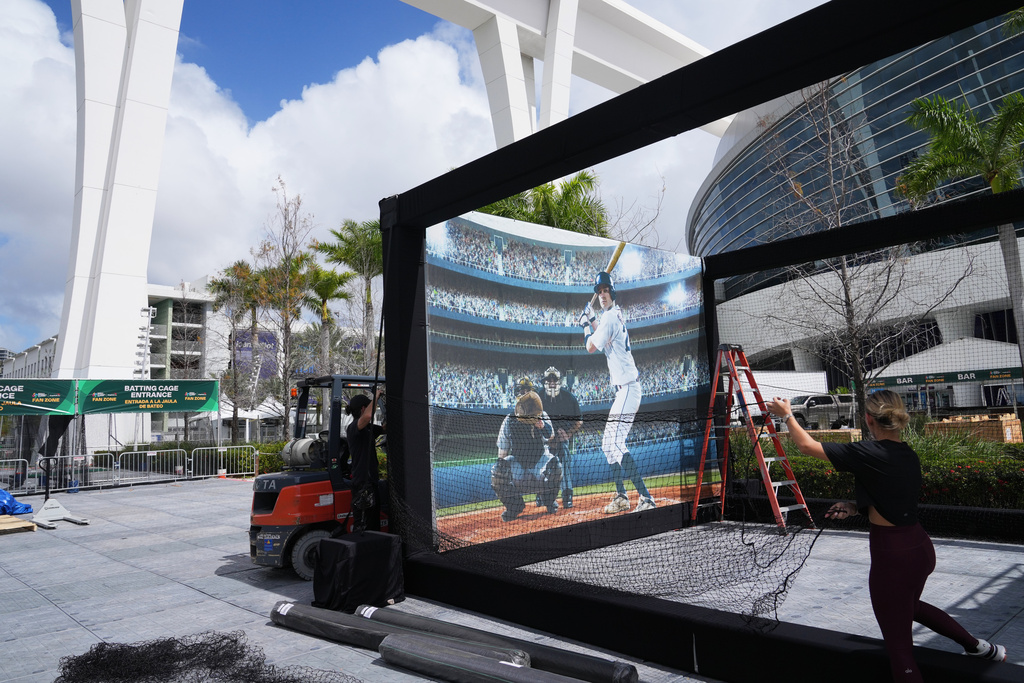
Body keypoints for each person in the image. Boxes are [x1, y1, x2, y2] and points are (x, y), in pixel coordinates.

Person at [764, 390, 1007, 682]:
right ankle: (980, 648)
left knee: (900, 650)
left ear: (868, 419)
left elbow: (806, 446)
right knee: (910, 607)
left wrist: (787, 415)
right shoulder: (908, 454)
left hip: (893, 556)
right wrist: (855, 507)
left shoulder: (867, 452)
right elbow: (893, 501)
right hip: (919, 548)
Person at [581, 271, 655, 514]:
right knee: (606, 444)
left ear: (612, 293)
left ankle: (646, 498)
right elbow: (602, 337)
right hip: (622, 391)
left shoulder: (611, 318)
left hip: (629, 390)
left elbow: (590, 346)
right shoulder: (610, 318)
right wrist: (592, 319)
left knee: (615, 442)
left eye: (605, 290)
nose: (602, 294)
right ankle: (622, 497)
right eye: (599, 291)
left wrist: (584, 324)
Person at [492, 379, 562, 521]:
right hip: (519, 466)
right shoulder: (509, 419)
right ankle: (514, 506)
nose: (524, 393)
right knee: (497, 469)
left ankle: (548, 500)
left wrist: (541, 426)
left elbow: (551, 436)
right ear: (517, 394)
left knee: (556, 465)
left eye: (527, 391)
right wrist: (502, 467)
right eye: (522, 391)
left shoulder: (541, 414)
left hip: (539, 464)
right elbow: (503, 451)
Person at [539, 366, 582, 508]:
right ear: (544, 381)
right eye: (549, 379)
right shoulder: (538, 397)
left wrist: (568, 434)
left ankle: (567, 496)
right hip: (544, 441)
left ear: (559, 381)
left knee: (565, 461)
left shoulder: (569, 397)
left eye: (554, 379)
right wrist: (545, 438)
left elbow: (579, 421)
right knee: (542, 467)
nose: (551, 382)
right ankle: (542, 495)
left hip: (562, 438)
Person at [346, 386, 384, 532]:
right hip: (363, 484)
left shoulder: (368, 428)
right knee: (364, 524)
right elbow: (367, 416)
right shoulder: (354, 427)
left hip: (370, 483)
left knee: (373, 523)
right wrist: (377, 396)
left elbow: (385, 429)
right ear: (363, 409)